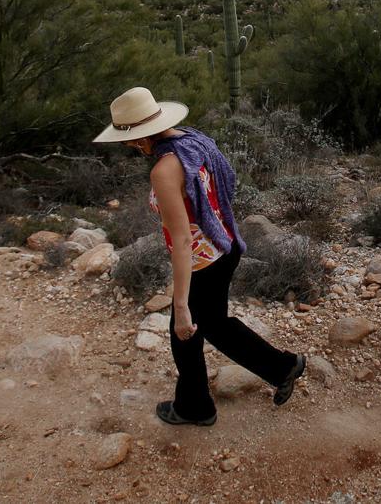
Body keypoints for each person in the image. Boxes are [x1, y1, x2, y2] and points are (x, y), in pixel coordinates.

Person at [93, 86, 305, 426]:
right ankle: (280, 368)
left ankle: (197, 407)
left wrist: (179, 306)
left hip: (202, 261)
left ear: (136, 139)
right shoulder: (194, 142)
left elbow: (180, 241)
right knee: (214, 326)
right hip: (225, 247)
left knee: (186, 332)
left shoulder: (164, 170)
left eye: (128, 141)